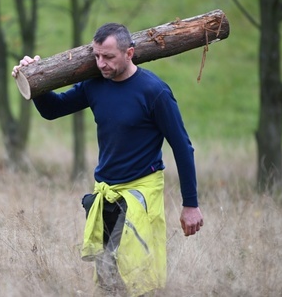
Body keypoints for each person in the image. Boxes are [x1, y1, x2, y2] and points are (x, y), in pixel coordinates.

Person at [11, 23, 203, 296]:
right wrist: (36, 79)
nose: (101, 63)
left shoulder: (154, 92)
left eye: (109, 57)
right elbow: (53, 111)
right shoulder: (95, 85)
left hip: (140, 195)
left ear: (130, 53)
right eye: (97, 56)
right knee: (107, 279)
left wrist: (190, 205)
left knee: (138, 278)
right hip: (105, 196)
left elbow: (183, 148)